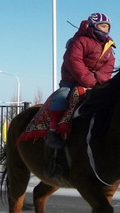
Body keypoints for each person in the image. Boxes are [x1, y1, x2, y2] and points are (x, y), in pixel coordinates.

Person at [46, 12, 116, 148]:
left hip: (96, 82)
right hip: (72, 79)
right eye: (102, 26)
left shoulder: (108, 46)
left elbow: (109, 65)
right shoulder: (80, 41)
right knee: (62, 96)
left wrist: (98, 79)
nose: (106, 30)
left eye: (107, 27)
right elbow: (73, 60)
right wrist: (88, 79)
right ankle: (53, 131)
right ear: (93, 26)